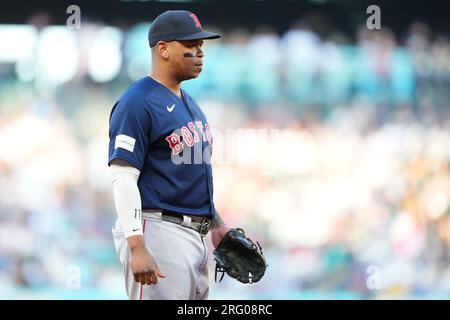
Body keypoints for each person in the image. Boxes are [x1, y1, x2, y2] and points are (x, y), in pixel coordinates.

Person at [108, 10, 231, 300]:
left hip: (196, 236)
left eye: (201, 47)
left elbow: (189, 178)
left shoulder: (190, 104)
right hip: (158, 231)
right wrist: (137, 246)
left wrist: (217, 224)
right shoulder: (137, 102)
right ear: (162, 49)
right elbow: (123, 178)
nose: (199, 53)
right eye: (190, 46)